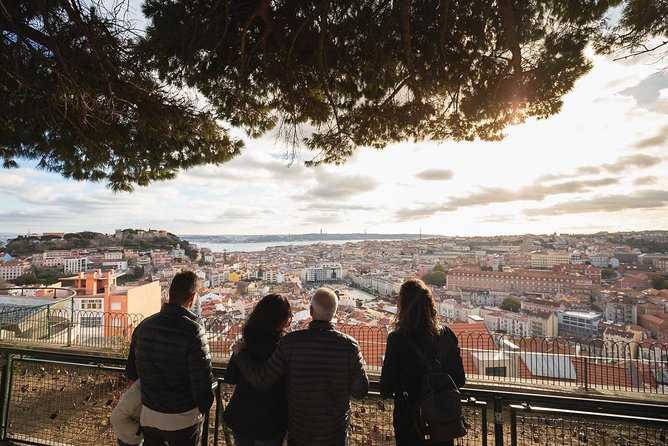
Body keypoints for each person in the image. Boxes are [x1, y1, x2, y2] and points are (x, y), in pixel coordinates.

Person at [232, 287, 369, 446]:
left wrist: (241, 354)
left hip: (300, 433)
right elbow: (360, 391)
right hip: (334, 434)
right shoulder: (349, 346)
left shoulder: (290, 342)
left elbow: (262, 379)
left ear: (311, 311)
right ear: (335, 312)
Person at [126, 271, 214, 446]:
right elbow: (201, 381)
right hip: (182, 417)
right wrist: (204, 408)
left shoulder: (144, 326)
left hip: (149, 414)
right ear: (193, 297)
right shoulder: (194, 332)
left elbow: (131, 372)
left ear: (170, 293)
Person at [379, 278, 466, 446]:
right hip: (442, 421)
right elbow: (459, 379)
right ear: (429, 304)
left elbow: (386, 387)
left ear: (402, 306)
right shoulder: (447, 335)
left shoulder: (397, 339)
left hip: (411, 421)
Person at [223, 293, 292, 446]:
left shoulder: (245, 343)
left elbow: (230, 377)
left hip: (242, 415)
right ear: (282, 320)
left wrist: (240, 353)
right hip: (271, 419)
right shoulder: (283, 348)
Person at [111, 380, 143, 446]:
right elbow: (116, 418)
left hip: (137, 438)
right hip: (130, 440)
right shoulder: (139, 390)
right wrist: (140, 430)